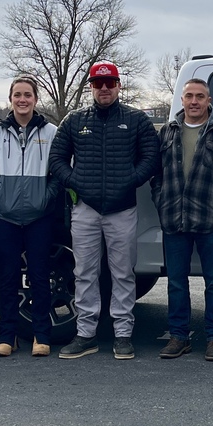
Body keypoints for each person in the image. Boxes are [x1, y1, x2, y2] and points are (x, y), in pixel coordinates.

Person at [49, 61, 160, 361]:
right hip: (85, 209)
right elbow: (57, 159)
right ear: (91, 88)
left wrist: (130, 181)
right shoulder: (74, 120)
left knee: (123, 274)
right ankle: (86, 334)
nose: (105, 89)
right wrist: (76, 182)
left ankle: (123, 334)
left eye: (110, 83)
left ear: (118, 85)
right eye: (99, 84)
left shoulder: (136, 120)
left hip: (122, 209)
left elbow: (152, 156)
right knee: (84, 272)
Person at [150, 78, 213, 362]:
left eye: (200, 96)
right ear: (182, 100)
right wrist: (162, 200)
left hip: (209, 220)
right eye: (189, 96)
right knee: (176, 282)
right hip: (174, 220)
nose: (194, 101)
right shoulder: (166, 132)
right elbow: (156, 173)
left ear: (209, 101)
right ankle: (179, 336)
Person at [0, 76, 59, 358]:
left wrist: (45, 197)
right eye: (17, 95)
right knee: (8, 276)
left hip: (40, 216)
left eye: (27, 95)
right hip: (4, 215)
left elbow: (59, 171)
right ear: (10, 98)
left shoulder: (51, 132)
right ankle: (7, 335)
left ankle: (41, 335)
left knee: (39, 276)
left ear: (35, 99)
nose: (22, 100)